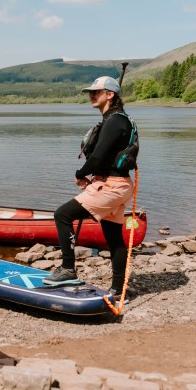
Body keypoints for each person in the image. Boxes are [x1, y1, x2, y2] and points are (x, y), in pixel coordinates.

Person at [43, 76, 138, 297]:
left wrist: (80, 174)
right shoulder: (117, 119)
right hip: (118, 184)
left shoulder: (115, 121)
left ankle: (68, 269)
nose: (92, 95)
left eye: (97, 92)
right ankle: (118, 287)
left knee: (62, 215)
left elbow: (97, 158)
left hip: (111, 185)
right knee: (114, 237)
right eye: (91, 92)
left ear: (110, 95)